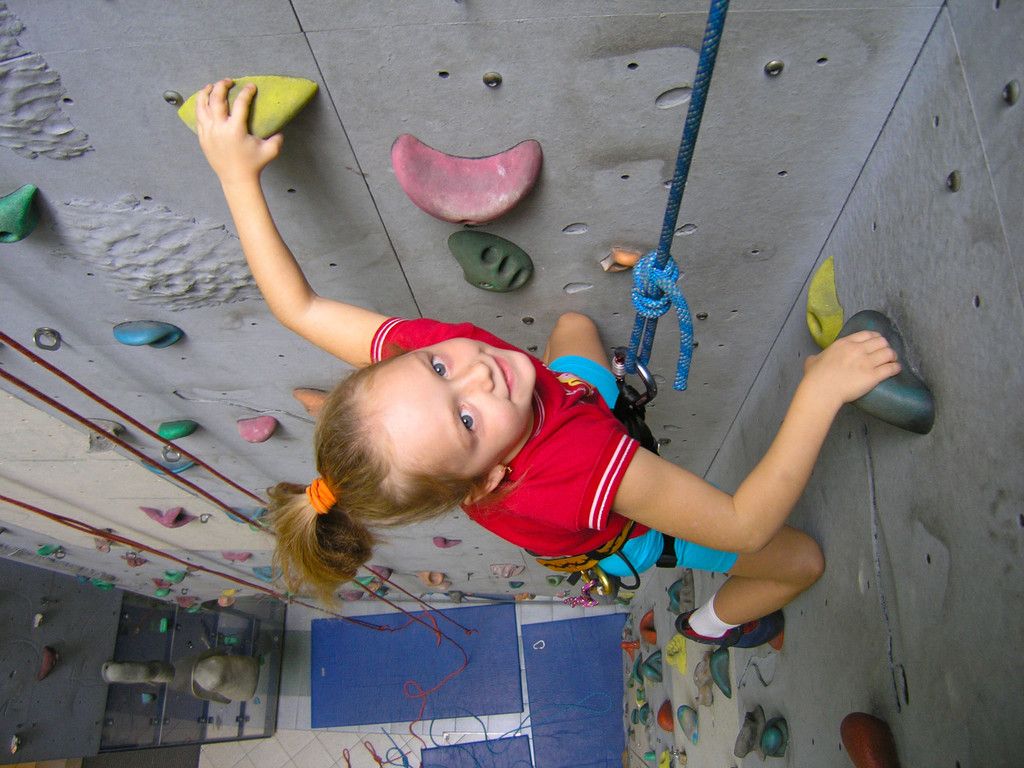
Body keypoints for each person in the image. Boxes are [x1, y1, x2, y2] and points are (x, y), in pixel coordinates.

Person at [195, 79, 902, 647]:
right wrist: (820, 391)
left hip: (560, 403)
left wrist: (235, 175)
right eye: (466, 419)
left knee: (571, 325)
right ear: (487, 478)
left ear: (402, 361)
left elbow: (298, 308)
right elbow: (743, 524)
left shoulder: (427, 367)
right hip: (623, 523)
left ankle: (481, 421)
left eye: (438, 370)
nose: (478, 372)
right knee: (798, 561)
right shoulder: (580, 466)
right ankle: (709, 624)